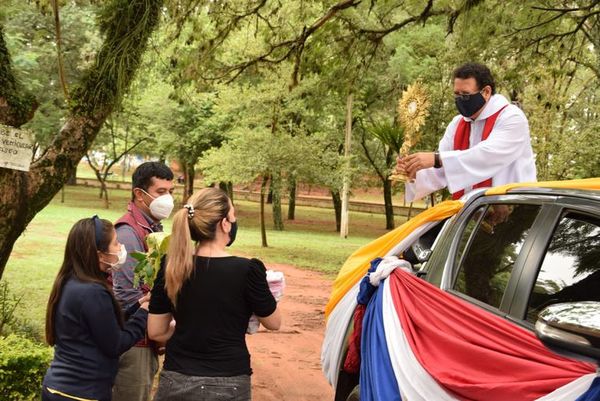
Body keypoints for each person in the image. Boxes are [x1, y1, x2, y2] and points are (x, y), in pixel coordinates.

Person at [148, 187, 281, 401]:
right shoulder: (247, 270)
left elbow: (156, 331)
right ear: (224, 224)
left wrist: (189, 329)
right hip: (229, 381)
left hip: (177, 379)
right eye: (233, 215)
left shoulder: (171, 267)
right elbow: (274, 322)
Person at [42, 217, 148, 401]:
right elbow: (116, 344)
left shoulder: (70, 281)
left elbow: (100, 324)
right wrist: (145, 314)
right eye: (115, 243)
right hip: (82, 394)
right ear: (100, 255)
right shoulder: (93, 292)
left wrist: (138, 305)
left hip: (57, 388)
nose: (121, 246)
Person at [397, 63, 537, 202]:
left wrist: (437, 158)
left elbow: (486, 156)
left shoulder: (511, 117)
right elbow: (443, 169)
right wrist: (414, 171)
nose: (460, 100)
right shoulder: (457, 123)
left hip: (514, 205)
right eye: (457, 94)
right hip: (473, 209)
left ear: (486, 92)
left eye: (465, 94)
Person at [111, 161, 174, 401]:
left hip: (146, 337)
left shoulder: (152, 228)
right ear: (139, 194)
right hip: (133, 342)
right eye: (161, 192)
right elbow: (127, 296)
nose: (167, 199)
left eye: (170, 192)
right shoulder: (128, 232)